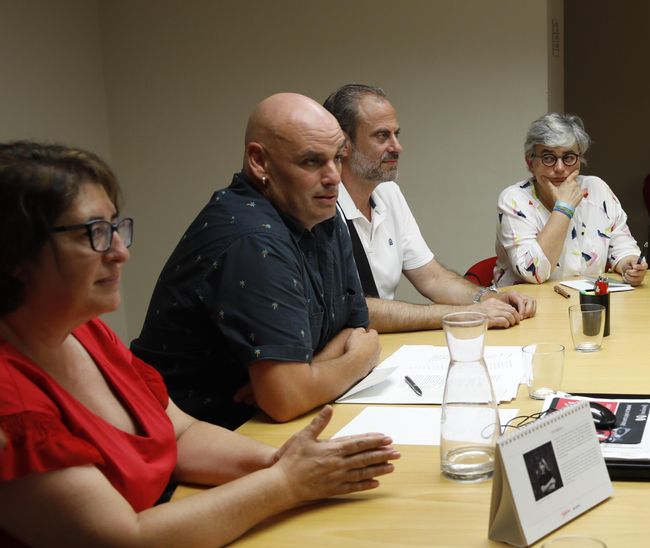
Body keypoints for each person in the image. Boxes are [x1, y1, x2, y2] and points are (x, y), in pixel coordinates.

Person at [0, 142, 398, 546]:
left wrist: (284, 461)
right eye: (95, 234)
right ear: (13, 252)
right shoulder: (8, 398)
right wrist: (284, 482)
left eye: (116, 229)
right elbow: (125, 539)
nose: (121, 253)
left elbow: (180, 434)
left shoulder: (85, 332)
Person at [131, 93, 379, 429]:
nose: (333, 176)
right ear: (259, 162)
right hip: (188, 441)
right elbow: (286, 399)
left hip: (259, 424)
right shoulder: (253, 238)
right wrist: (360, 358)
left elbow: (354, 324)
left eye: (337, 158)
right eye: (311, 162)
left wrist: (307, 373)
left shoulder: (320, 210)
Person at [322, 84, 535, 332]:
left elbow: (432, 277)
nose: (396, 147)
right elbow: (355, 310)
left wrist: (488, 298)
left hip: (382, 347)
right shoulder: (323, 207)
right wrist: (467, 314)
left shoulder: (388, 192)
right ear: (343, 144)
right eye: (382, 136)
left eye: (396, 135)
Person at [494, 113, 647, 287]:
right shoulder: (514, 200)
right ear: (530, 162)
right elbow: (533, 273)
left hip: (586, 303)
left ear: (578, 160)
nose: (560, 168)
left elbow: (622, 247)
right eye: (548, 158)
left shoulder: (596, 189)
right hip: (524, 307)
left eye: (568, 157)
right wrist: (564, 208)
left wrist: (629, 263)